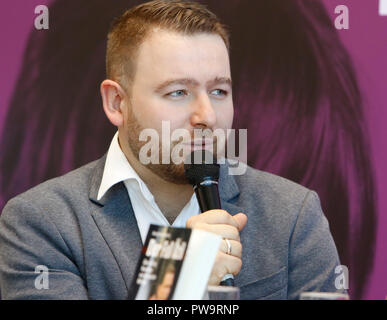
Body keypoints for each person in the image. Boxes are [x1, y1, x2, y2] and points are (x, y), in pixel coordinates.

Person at [0, 0, 344, 300]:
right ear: (117, 102)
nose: (207, 116)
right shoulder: (41, 222)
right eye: (178, 92)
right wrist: (177, 278)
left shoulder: (294, 214)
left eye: (220, 91)